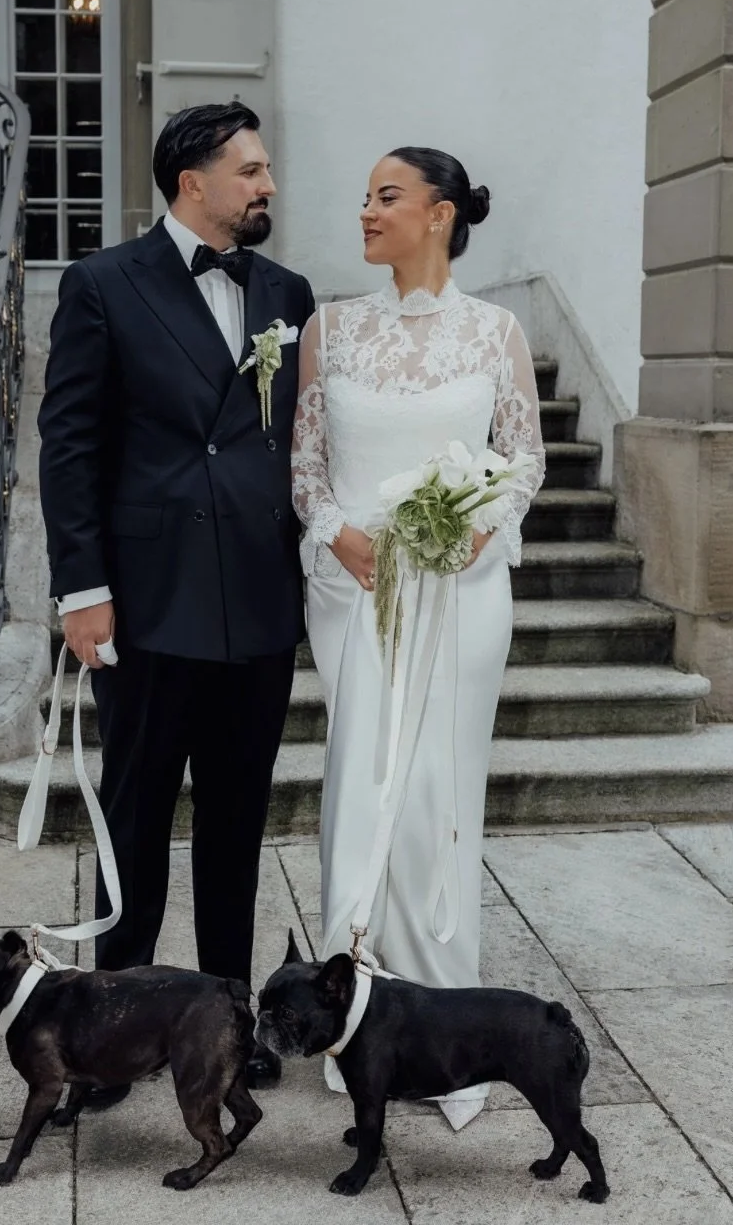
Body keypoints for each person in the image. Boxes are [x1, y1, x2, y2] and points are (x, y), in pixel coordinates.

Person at [38, 102, 315, 1093]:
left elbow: (299, 443)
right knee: (137, 819)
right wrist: (82, 589)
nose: (266, 185)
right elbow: (68, 447)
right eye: (249, 170)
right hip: (147, 604)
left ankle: (228, 1025)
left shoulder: (287, 290)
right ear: (191, 180)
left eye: (266, 169)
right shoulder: (104, 284)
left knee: (238, 824)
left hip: (256, 601)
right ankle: (113, 1032)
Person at [291, 147, 545, 1130]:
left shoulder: (496, 331)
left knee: (439, 790)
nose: (365, 212)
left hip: (461, 593)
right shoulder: (330, 328)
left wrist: (481, 526)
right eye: (362, 197)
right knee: (362, 783)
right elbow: (307, 466)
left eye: (385, 197)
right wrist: (335, 533)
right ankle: (353, 1001)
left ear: (438, 215)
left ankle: (442, 1019)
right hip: (357, 593)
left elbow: (520, 460)